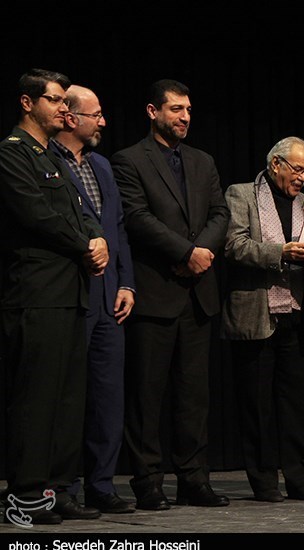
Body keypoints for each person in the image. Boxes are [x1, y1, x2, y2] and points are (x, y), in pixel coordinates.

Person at [111, 79, 230, 510]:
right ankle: (147, 481)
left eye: (188, 110)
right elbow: (137, 217)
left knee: (193, 397)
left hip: (198, 293)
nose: (185, 117)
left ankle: (194, 480)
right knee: (147, 396)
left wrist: (201, 253)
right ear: (153, 111)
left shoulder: (202, 160)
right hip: (155, 292)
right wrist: (184, 253)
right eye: (176, 109)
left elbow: (220, 213)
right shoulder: (128, 160)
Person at [0, 69, 108, 524]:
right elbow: (36, 214)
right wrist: (85, 244)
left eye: (66, 100)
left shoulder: (55, 157)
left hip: (71, 292)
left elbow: (82, 209)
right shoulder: (12, 153)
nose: (64, 108)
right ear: (28, 103)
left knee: (67, 399)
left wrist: (97, 238)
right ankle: (27, 493)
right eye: (55, 100)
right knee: (37, 398)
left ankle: (58, 489)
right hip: (37, 292)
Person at [221, 136, 304, 502]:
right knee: (257, 406)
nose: (303, 178)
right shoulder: (242, 194)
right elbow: (233, 246)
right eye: (298, 169)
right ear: (275, 164)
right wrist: (280, 252)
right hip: (257, 314)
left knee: (295, 405)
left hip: (297, 315)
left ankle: (301, 479)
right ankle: (264, 481)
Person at [50, 85, 136, 514]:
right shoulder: (46, 160)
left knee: (107, 397)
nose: (103, 122)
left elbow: (118, 227)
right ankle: (60, 486)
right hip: (69, 292)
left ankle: (102, 484)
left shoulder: (101, 164)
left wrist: (127, 284)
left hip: (108, 298)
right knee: (67, 397)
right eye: (96, 114)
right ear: (71, 118)